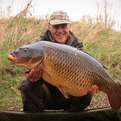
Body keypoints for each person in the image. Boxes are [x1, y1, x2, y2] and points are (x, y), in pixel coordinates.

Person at [19, 10, 92, 112]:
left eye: (63, 26)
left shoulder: (77, 48)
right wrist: (32, 76)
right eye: (56, 27)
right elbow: (28, 72)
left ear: (69, 27)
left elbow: (89, 71)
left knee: (87, 91)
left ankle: (71, 116)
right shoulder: (38, 46)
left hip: (70, 96)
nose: (60, 30)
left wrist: (91, 85)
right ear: (49, 27)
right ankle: (36, 116)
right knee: (27, 86)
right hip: (46, 96)